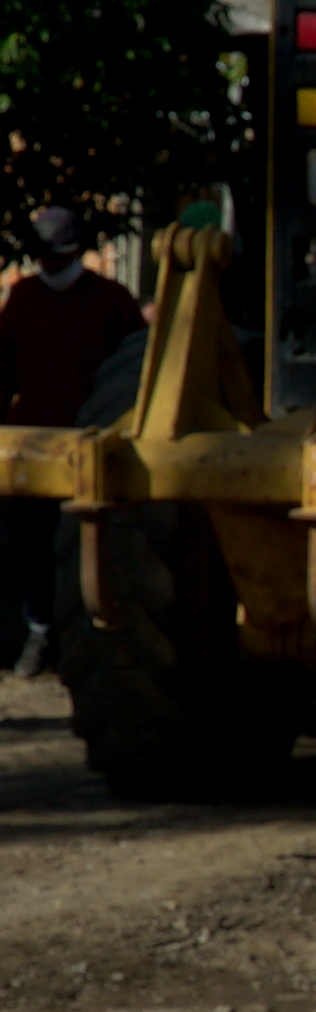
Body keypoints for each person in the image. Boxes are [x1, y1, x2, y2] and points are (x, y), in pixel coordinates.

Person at [0, 206, 145, 676]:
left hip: (94, 453)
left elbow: (136, 376)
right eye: (44, 256)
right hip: (34, 448)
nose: (51, 265)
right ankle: (40, 631)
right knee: (31, 548)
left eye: (58, 256)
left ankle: (89, 637)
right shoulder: (23, 298)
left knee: (92, 547)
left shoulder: (111, 301)